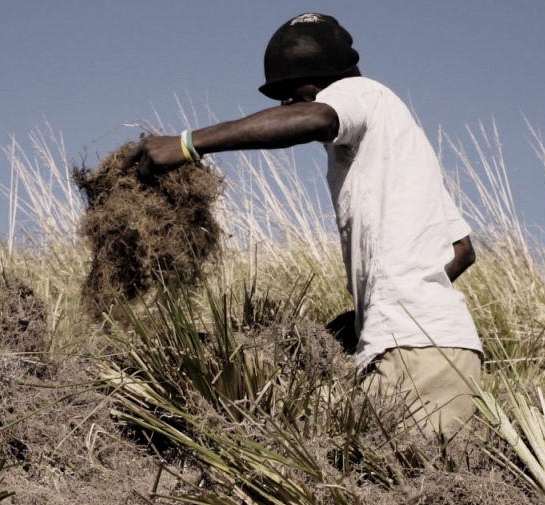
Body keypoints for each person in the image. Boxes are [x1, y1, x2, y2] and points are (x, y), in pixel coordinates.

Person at [124, 13, 482, 438]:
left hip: (418, 356)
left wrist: (187, 145)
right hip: (426, 347)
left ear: (320, 81)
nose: (287, 108)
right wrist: (371, 312)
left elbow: (317, 119)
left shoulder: (359, 92)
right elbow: (461, 250)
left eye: (290, 95)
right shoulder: (397, 148)